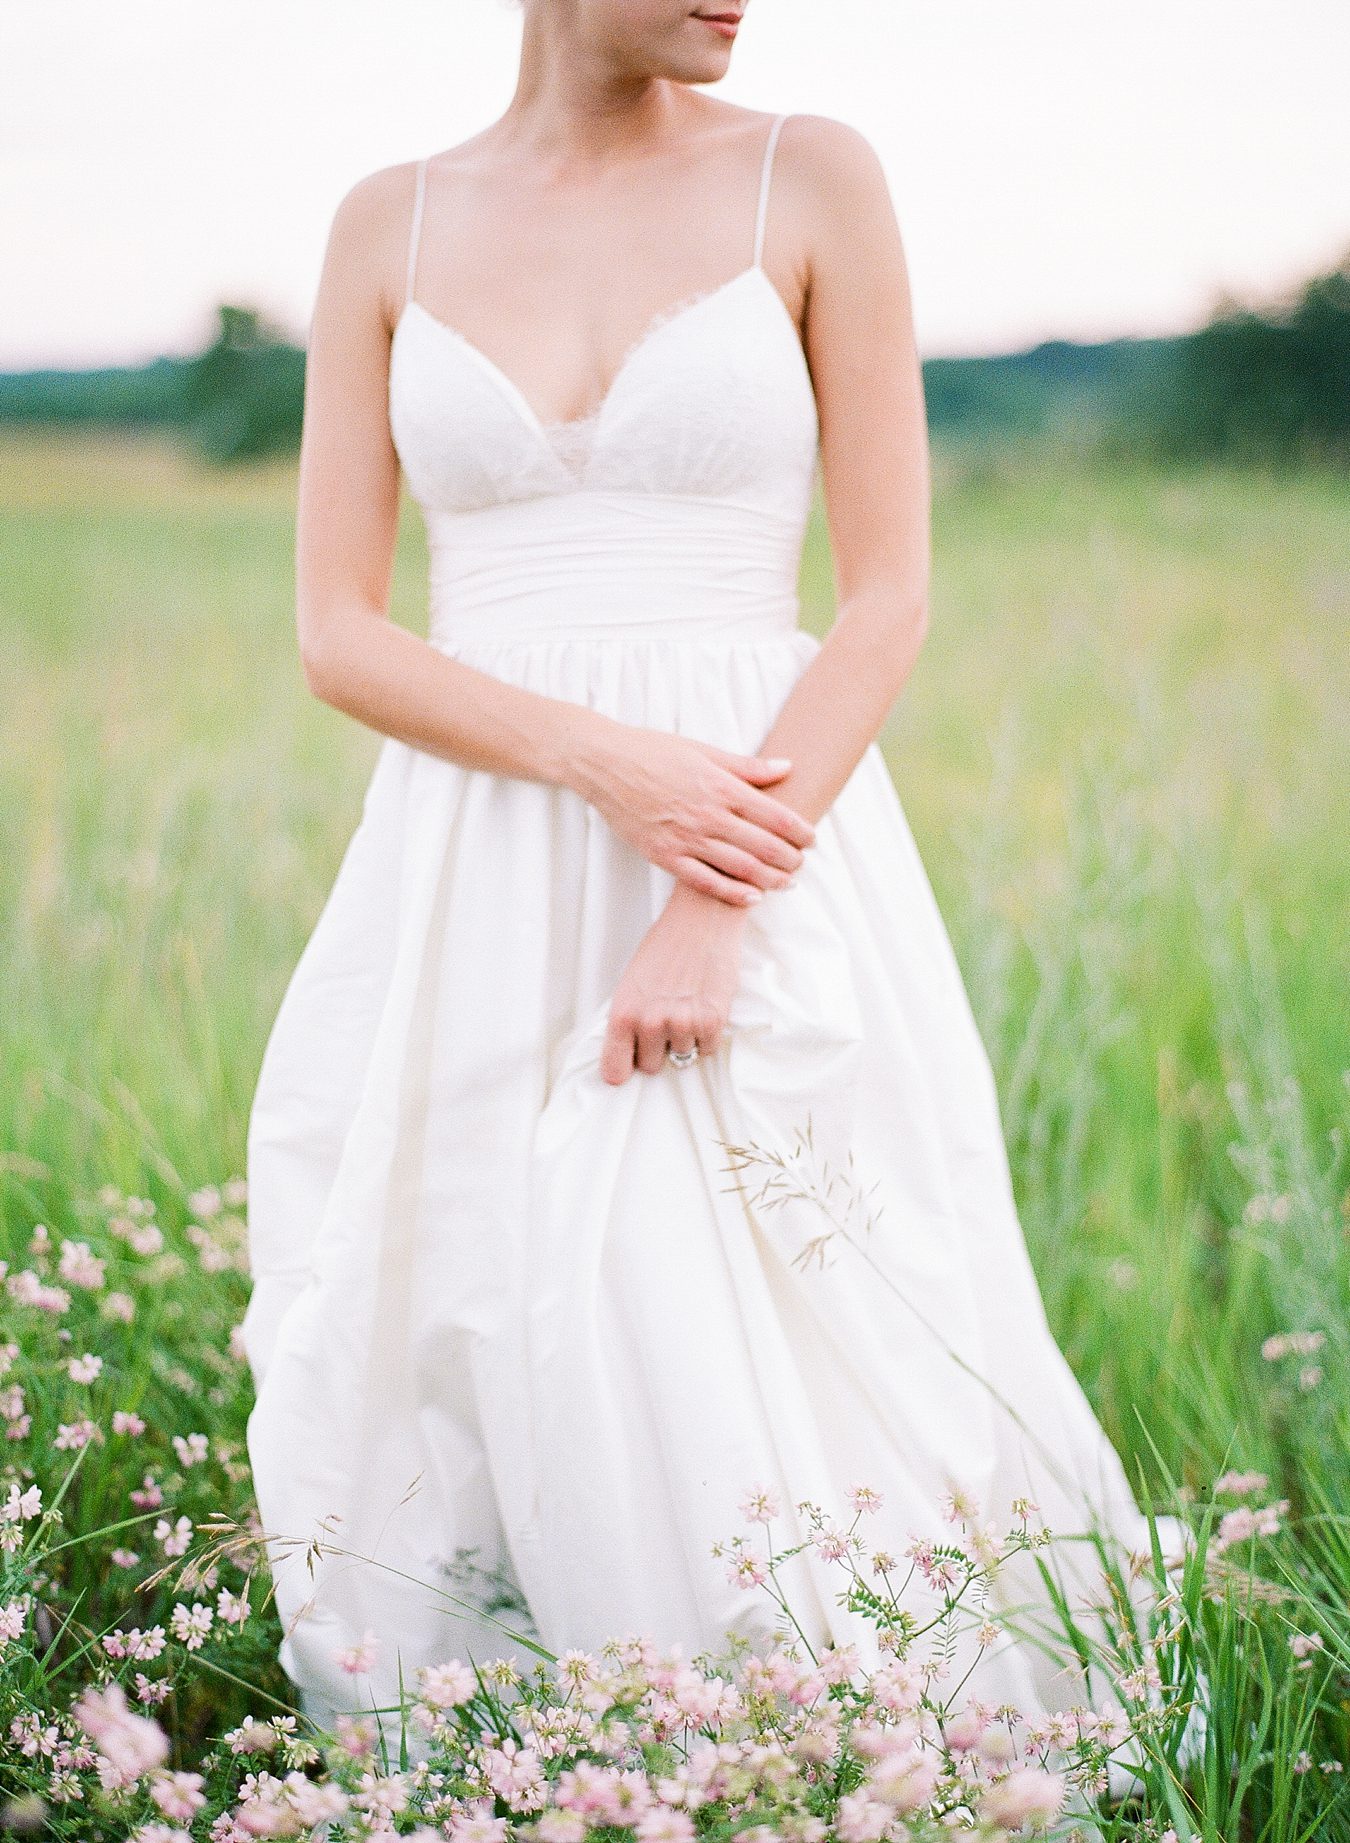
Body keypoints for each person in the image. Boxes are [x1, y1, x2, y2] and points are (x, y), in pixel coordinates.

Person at [241, 0, 1170, 1755]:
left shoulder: (809, 179)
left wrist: (713, 889)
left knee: (776, 1301)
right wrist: (605, 765)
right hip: (479, 852)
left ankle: (841, 1737)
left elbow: (887, 591)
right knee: (472, 1291)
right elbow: (337, 632)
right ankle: (549, 1744)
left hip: (763, 832)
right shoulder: (389, 221)